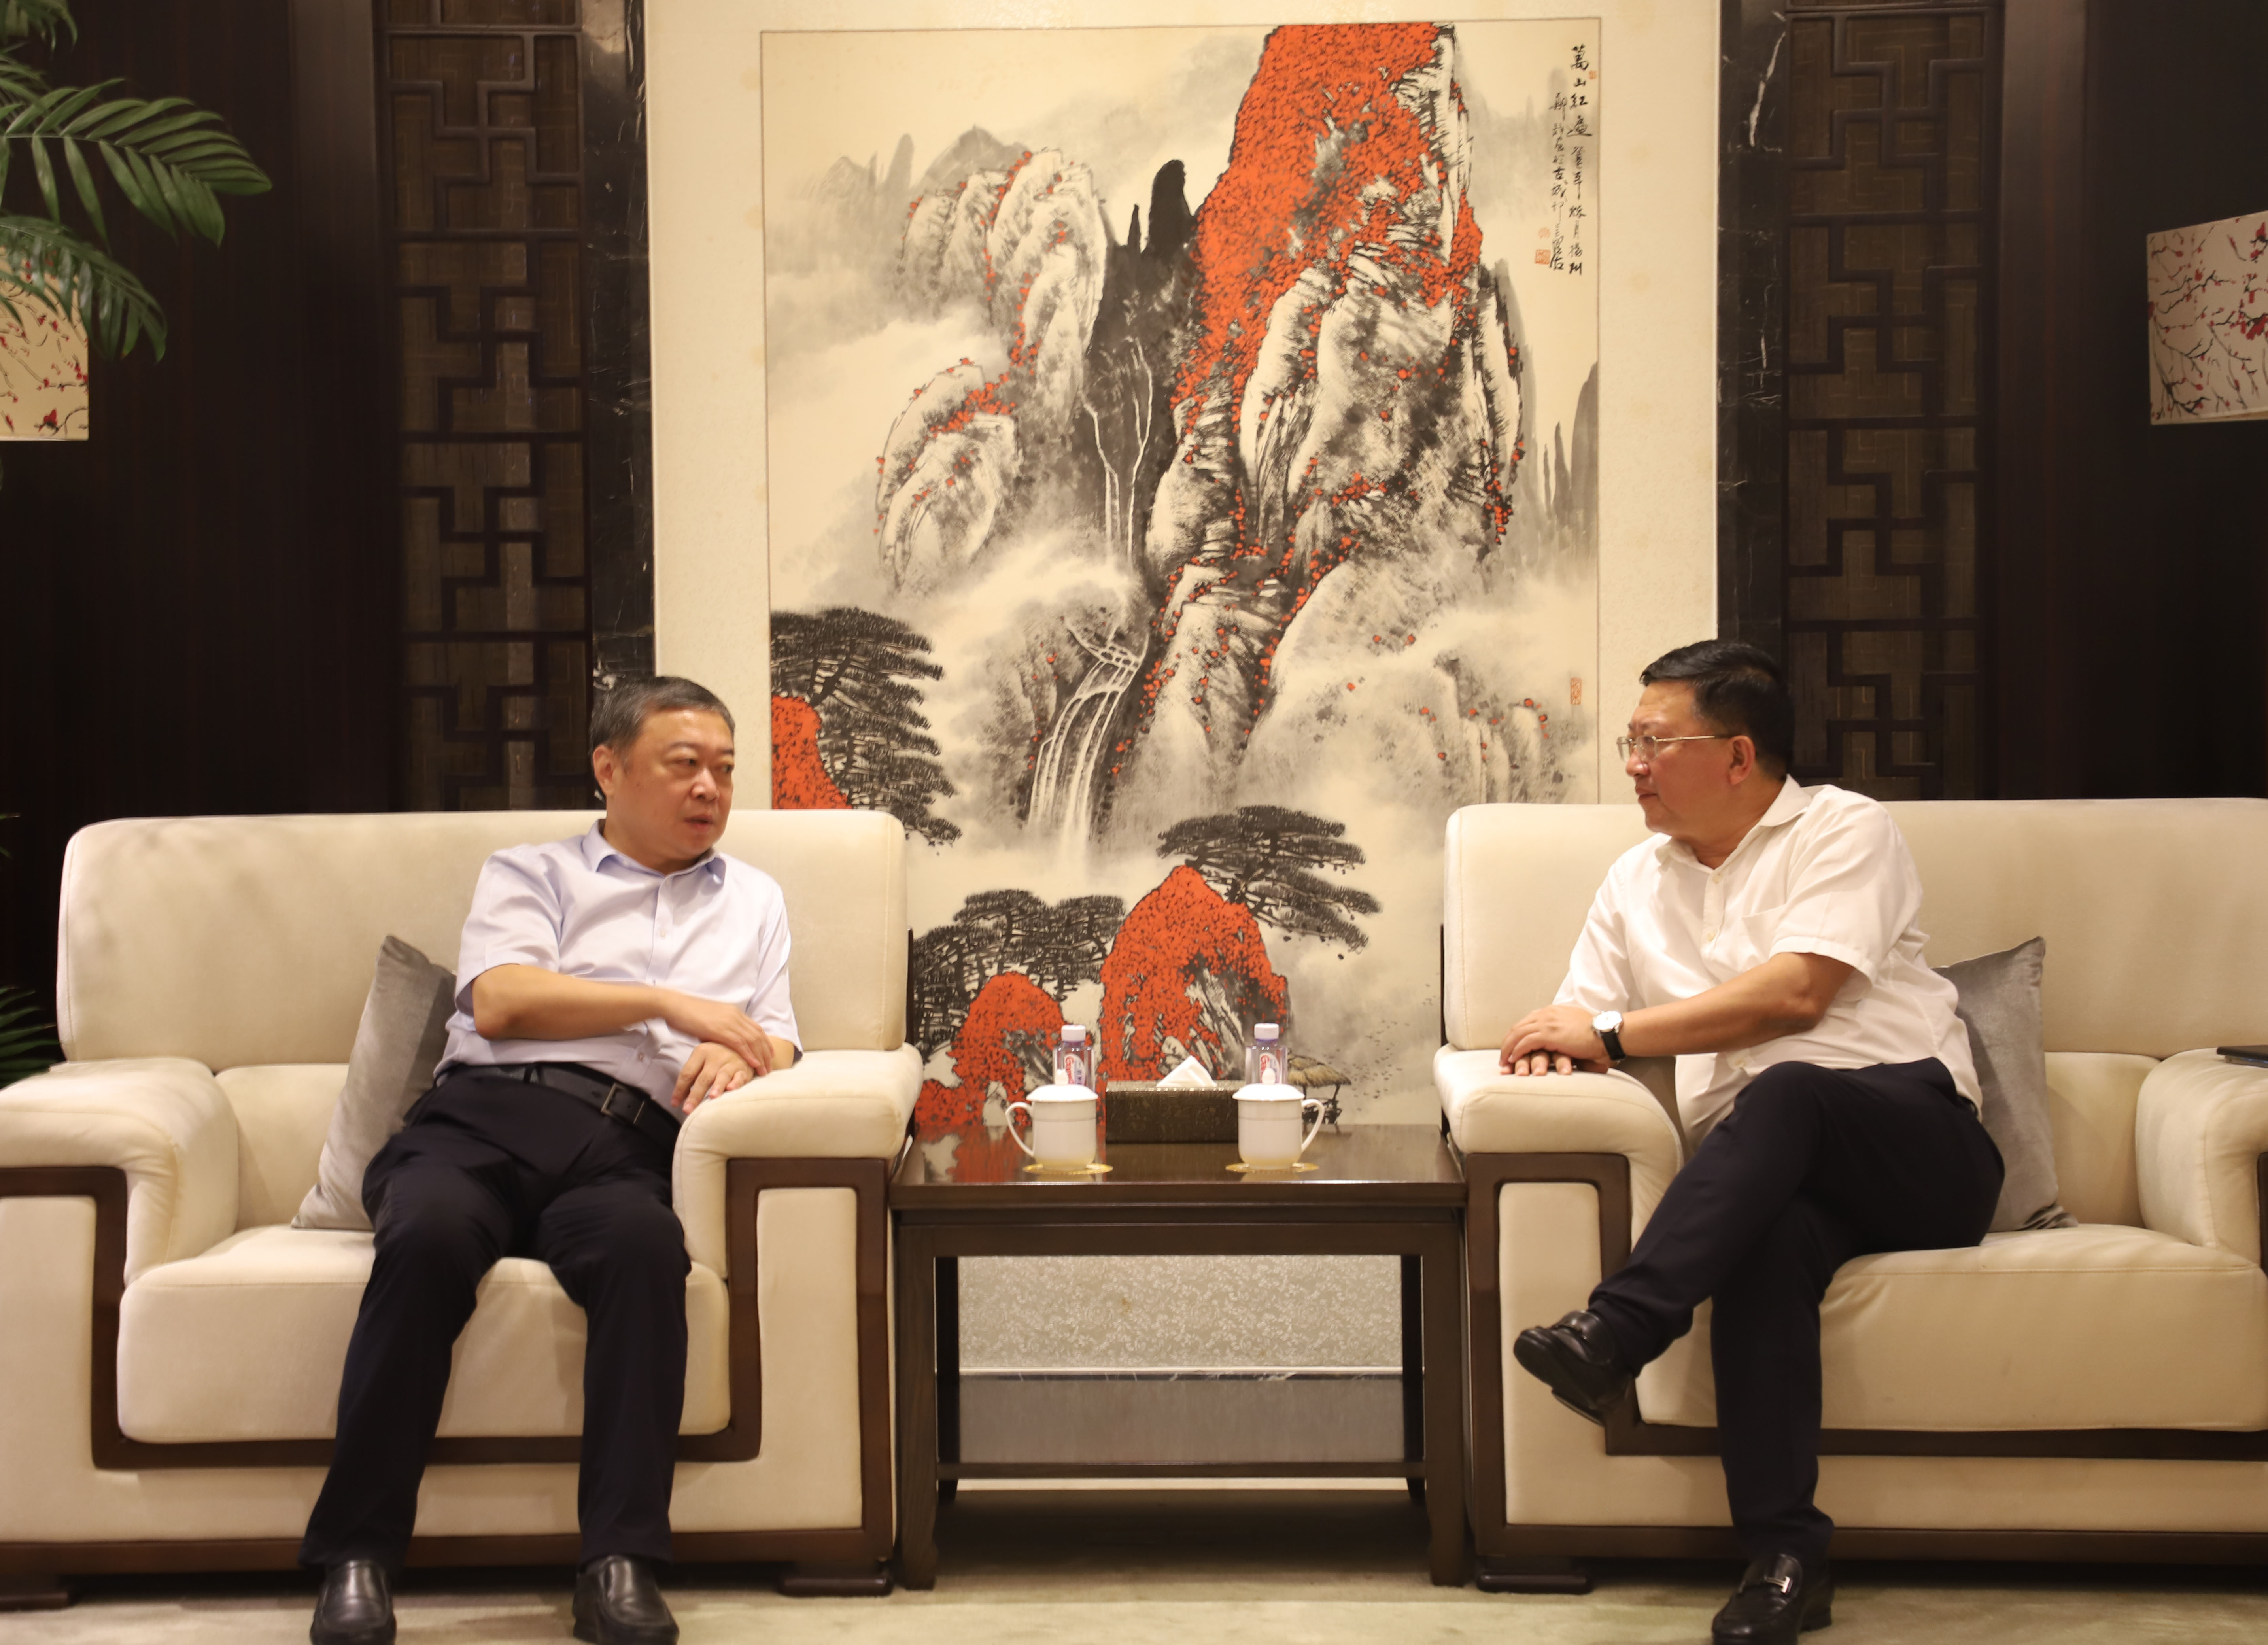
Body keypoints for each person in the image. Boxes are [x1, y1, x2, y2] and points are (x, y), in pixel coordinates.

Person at [1500, 640, 2002, 1645]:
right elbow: (1580, 1017)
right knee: (1764, 1246)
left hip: (1916, 1143)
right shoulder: (1635, 880)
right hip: (1772, 1174)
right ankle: (1786, 1560)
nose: (1633, 764)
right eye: (1630, 741)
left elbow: (1796, 995)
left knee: (1786, 1090)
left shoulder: (1844, 829)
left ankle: (1618, 1330)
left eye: (1655, 742)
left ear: (1738, 756)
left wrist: (1608, 1035)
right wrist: (1559, 1044)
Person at [302, 677, 801, 1645]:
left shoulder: (755, 899)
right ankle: (355, 1558)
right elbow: (501, 1002)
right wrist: (668, 1003)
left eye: (726, 769)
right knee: (427, 1238)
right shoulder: (533, 873)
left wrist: (748, 1054)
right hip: (485, 1122)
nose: (710, 788)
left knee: (645, 1254)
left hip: (627, 1149)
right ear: (610, 769)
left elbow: (778, 1032)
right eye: (685, 764)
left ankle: (620, 1565)